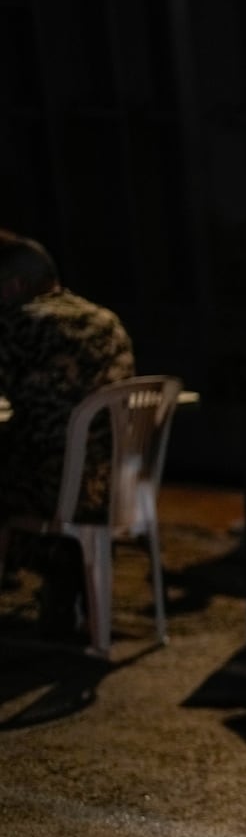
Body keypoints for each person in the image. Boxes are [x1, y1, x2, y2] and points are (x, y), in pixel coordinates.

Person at [0, 231, 136, 635]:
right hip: (114, 485)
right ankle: (65, 581)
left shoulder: (21, 324)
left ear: (16, 286)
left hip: (53, 490)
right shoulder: (105, 320)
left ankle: (52, 570)